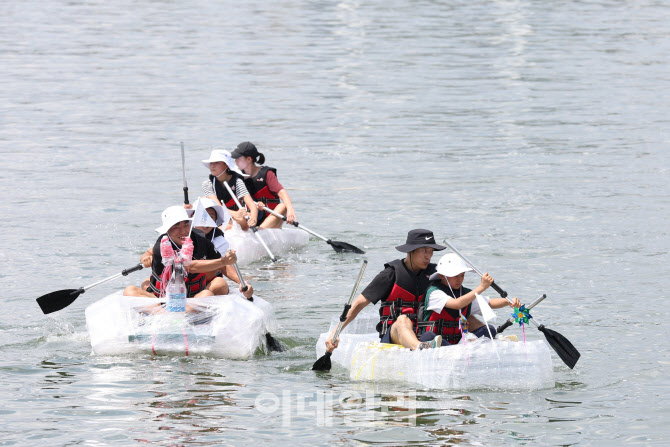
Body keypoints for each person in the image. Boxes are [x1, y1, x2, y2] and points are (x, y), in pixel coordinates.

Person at [325, 229, 446, 352]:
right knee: (402, 320)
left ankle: (425, 346)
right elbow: (358, 304)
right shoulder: (391, 274)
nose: (428, 256)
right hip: (393, 336)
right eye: (424, 250)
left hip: (423, 334)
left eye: (431, 251)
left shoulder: (436, 274)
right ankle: (419, 348)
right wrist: (335, 333)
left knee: (433, 334)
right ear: (410, 251)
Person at [123, 206, 238, 306]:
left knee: (219, 284)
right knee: (130, 291)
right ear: (167, 230)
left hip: (194, 297)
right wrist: (223, 261)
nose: (182, 231)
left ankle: (189, 310)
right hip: (164, 298)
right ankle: (167, 312)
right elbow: (189, 266)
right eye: (176, 227)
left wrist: (243, 284)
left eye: (186, 225)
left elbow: (222, 265)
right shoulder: (161, 245)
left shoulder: (201, 240)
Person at [417, 253, 522, 345]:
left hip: (458, 342)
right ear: (442, 275)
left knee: (489, 329)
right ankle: (476, 345)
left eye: (462, 275)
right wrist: (482, 287)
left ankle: (475, 344)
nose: (459, 280)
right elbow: (457, 304)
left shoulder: (466, 293)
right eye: (455, 276)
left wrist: (509, 301)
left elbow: (489, 303)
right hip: (437, 342)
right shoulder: (434, 292)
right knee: (429, 337)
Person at [231, 141, 297, 228]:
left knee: (282, 206)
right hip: (250, 217)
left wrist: (290, 209)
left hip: (270, 220)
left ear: (249, 159)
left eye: (238, 158)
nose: (235, 161)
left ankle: (261, 229)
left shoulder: (267, 174)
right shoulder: (238, 176)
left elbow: (281, 192)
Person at [201, 149, 259, 230]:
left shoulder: (237, 181)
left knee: (241, 219)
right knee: (203, 200)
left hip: (237, 217)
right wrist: (235, 214)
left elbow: (252, 205)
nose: (212, 166)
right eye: (211, 163)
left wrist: (253, 218)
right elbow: (218, 207)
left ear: (226, 165)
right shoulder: (207, 184)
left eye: (217, 162)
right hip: (219, 215)